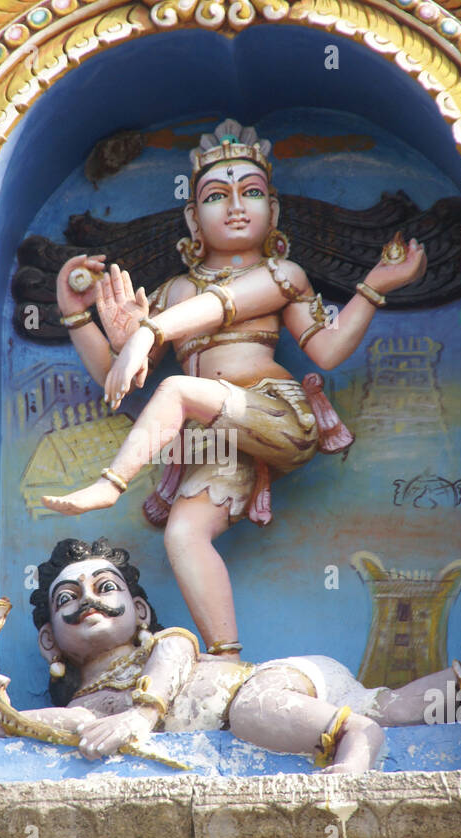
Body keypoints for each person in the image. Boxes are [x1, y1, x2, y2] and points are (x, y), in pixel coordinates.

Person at [41, 120, 426, 661]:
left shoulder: (282, 273)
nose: (236, 207)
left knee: (177, 388)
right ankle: (226, 657)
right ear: (193, 218)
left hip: (276, 414)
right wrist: (79, 316)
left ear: (273, 209)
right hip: (214, 439)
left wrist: (374, 287)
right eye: (217, 197)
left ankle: (111, 484)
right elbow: (118, 382)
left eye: (251, 193)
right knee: (183, 535)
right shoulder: (175, 290)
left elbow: (326, 349)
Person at [0, 537, 461, 774]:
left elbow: (177, 646)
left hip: (273, 684)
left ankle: (355, 742)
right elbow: (53, 723)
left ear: (140, 610)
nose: (89, 600)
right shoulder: (94, 707)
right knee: (387, 704)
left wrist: (143, 715)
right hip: (303, 703)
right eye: (67, 599)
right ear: (49, 642)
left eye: (105, 587)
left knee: (255, 713)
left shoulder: (163, 647)